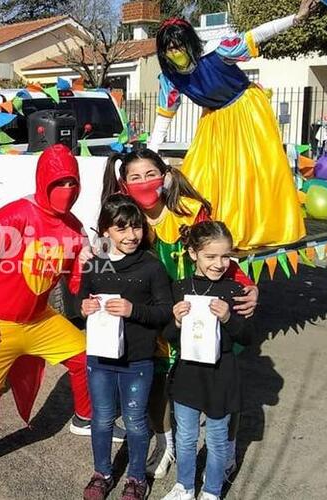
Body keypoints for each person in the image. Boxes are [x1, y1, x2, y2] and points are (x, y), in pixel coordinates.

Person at [99, 148, 257, 479]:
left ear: (165, 176)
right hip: (159, 312)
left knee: (221, 379)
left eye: (151, 175)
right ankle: (166, 442)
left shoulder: (190, 213)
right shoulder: (129, 221)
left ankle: (225, 449)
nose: (144, 183)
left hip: (203, 308)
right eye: (135, 177)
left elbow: (217, 250)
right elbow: (103, 260)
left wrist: (246, 285)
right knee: (158, 379)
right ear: (124, 184)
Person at [0, 144, 91, 496]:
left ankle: (86, 417)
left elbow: (75, 278)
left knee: (87, 358)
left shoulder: (73, 229)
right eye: (60, 182)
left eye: (73, 182)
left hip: (40, 320)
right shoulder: (10, 219)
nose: (68, 190)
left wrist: (89, 275)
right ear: (43, 180)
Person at [145, 1, 318, 249]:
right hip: (213, 120)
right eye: (169, 48)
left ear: (190, 44)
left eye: (179, 46)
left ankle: (249, 228)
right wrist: (151, 153)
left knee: (248, 173)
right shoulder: (170, 78)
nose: (175, 52)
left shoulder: (218, 53)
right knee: (199, 173)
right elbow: (165, 115)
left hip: (246, 110)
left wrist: (296, 19)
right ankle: (208, 231)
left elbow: (256, 34)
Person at [79, 194, 173, 500]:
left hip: (138, 360)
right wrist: (84, 309)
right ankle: (101, 473)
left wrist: (134, 311)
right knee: (102, 418)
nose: (131, 235)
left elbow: (164, 311)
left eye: (136, 227)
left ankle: (135, 478)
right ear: (106, 231)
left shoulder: (151, 267)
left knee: (134, 420)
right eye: (122, 228)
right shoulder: (96, 264)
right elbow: (78, 303)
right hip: (100, 358)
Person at [160, 221, 253, 500]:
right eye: (210, 256)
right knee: (186, 437)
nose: (219, 263)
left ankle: (212, 490)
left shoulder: (235, 290)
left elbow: (247, 336)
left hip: (221, 375)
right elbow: (168, 336)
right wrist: (176, 322)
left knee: (216, 438)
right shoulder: (179, 288)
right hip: (188, 374)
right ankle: (184, 486)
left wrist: (228, 318)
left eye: (226, 256)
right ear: (193, 254)